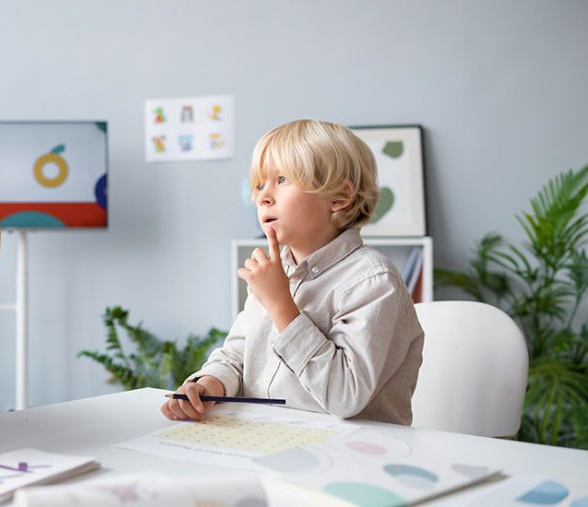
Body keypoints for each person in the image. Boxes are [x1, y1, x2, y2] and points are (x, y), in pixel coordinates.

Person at [161, 119, 424, 425]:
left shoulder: (373, 282)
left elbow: (346, 396)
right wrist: (208, 384)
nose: (262, 197)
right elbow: (238, 355)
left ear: (340, 196)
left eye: (282, 180)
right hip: (269, 440)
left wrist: (281, 304)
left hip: (352, 453)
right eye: (260, 185)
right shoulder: (271, 273)